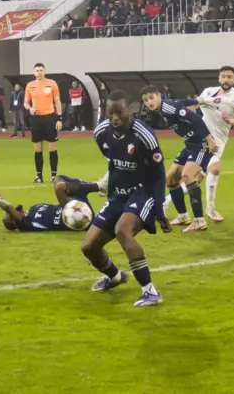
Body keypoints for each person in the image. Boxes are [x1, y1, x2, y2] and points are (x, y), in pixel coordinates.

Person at [80, 91, 169, 307]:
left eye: (119, 112)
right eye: (110, 113)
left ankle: (150, 292)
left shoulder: (144, 136)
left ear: (129, 109)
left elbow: (159, 175)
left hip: (143, 191)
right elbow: (112, 160)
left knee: (122, 230)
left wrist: (159, 211)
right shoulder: (101, 132)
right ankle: (115, 276)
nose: (115, 118)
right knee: (89, 246)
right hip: (118, 194)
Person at [142, 85, 219, 233]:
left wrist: (209, 140)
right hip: (189, 144)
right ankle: (183, 216)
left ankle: (199, 220)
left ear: (159, 96)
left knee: (187, 176)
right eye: (145, 100)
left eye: (151, 98)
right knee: (170, 178)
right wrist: (197, 100)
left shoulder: (168, 108)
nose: (149, 102)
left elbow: (196, 119)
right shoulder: (164, 107)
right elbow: (182, 102)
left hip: (201, 143)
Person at [192, 66, 234, 222]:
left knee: (198, 176)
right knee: (203, 173)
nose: (226, 79)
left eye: (229, 77)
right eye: (223, 76)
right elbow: (194, 105)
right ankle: (209, 208)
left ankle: (168, 203)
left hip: (218, 140)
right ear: (219, 78)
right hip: (200, 138)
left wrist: (231, 121)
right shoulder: (208, 91)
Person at [0, 175, 104, 232]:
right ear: (14, 221)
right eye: (10, 214)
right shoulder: (26, 224)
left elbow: (55, 205)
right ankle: (100, 186)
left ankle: (96, 187)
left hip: (74, 208)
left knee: (59, 179)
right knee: (60, 187)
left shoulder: (34, 208)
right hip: (75, 220)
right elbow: (8, 207)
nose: (14, 209)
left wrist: (69, 199)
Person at [25, 63, 64, 183]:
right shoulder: (30, 85)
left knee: (52, 146)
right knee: (37, 148)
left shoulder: (52, 84)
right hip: (36, 119)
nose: (39, 72)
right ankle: (39, 175)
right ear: (34, 72)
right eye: (37, 70)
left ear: (44, 71)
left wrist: (59, 118)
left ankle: (53, 175)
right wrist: (29, 108)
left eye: (41, 70)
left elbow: (57, 101)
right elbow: (26, 102)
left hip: (50, 117)